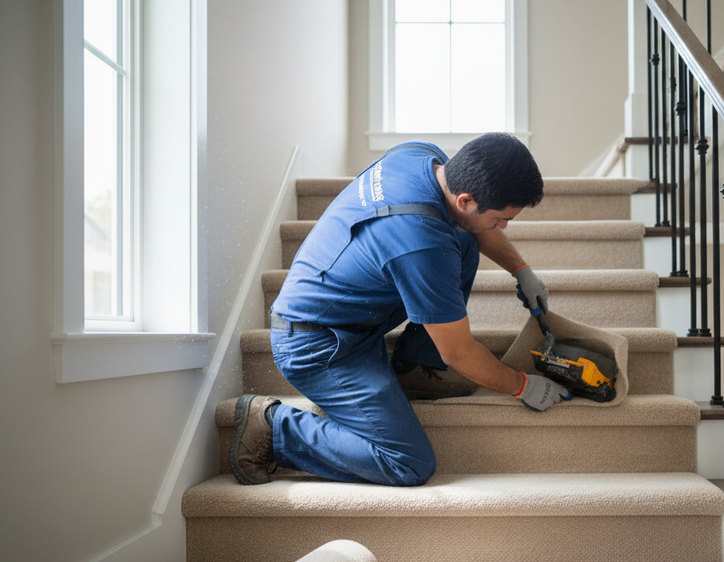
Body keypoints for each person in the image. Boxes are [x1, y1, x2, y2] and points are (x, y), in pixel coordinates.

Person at [228, 133, 571, 488]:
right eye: (502, 219)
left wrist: (520, 269)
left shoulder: (421, 156)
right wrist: (521, 385)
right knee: (409, 463)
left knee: (465, 239)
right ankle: (274, 425)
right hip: (318, 347)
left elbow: (469, 226)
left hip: (348, 311)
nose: (503, 227)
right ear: (466, 199)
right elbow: (459, 352)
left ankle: (415, 364)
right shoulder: (423, 244)